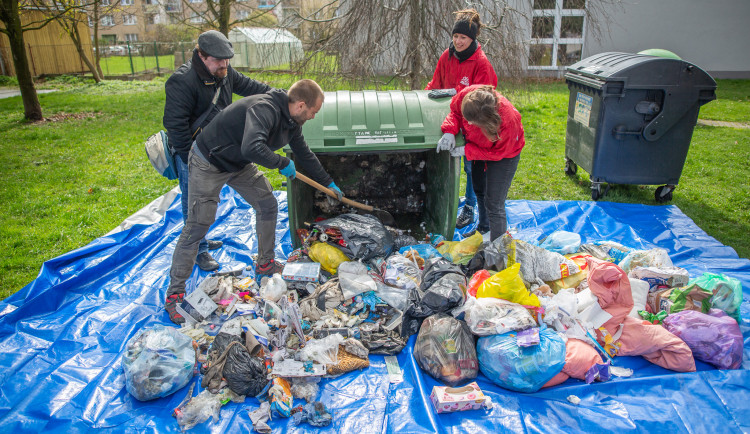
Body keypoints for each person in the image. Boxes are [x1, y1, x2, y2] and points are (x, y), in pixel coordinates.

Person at [164, 79, 343, 324]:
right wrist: (281, 164)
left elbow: (304, 154)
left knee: (267, 203)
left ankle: (266, 263)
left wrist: (328, 182)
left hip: (236, 163)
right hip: (209, 161)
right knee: (199, 224)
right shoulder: (265, 109)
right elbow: (251, 147)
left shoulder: (292, 122)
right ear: (301, 105)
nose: (313, 116)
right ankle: (174, 294)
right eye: (314, 111)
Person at [163, 30, 272, 272]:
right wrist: (189, 160)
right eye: (219, 60)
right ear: (202, 56)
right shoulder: (182, 81)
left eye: (227, 60)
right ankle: (199, 250)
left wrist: (280, 97)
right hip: (193, 153)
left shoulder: (224, 72)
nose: (225, 64)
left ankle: (201, 241)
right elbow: (175, 125)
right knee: (194, 203)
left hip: (221, 149)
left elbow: (251, 86)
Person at [427, 9, 498, 230]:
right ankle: (447, 200)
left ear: (472, 39)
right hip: (449, 118)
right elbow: (434, 84)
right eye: (455, 36)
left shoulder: (481, 64)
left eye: (463, 38)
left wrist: (457, 97)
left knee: (470, 166)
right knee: (446, 162)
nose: (458, 41)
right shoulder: (446, 56)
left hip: (472, 121)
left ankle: (470, 206)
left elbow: (483, 100)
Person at [437, 85, 525, 242]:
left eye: (472, 122)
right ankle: (484, 228)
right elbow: (455, 112)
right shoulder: (467, 96)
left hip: (505, 155)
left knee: (494, 202)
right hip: (478, 146)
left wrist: (468, 150)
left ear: (486, 120)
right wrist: (449, 131)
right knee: (479, 188)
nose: (468, 125)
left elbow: (498, 153)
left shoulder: (508, 121)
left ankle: (498, 249)